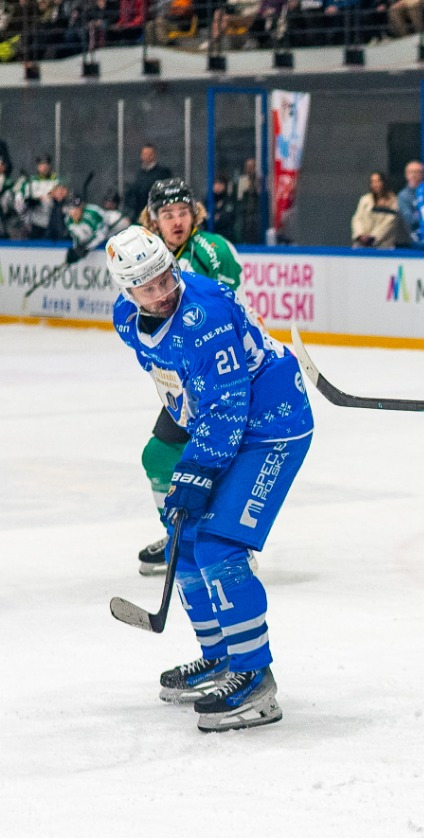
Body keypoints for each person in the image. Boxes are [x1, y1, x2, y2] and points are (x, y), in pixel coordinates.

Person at [104, 225, 313, 731]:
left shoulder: (205, 315)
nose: (161, 292)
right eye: (146, 287)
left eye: (164, 277)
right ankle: (220, 657)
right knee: (189, 537)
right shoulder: (127, 320)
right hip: (226, 424)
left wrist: (197, 469)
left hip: (273, 424)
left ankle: (254, 677)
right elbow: (179, 386)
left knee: (220, 544)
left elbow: (228, 401)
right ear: (125, 292)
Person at [133, 177, 244, 578]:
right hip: (183, 382)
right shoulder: (148, 255)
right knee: (159, 456)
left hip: (223, 377)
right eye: (167, 214)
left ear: (194, 214)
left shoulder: (212, 250)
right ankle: (178, 536)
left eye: (183, 212)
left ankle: (223, 543)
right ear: (153, 219)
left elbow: (225, 312)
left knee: (214, 463)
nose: (177, 221)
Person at [13, 154, 60, 239]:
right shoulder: (29, 182)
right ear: (37, 166)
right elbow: (19, 201)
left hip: (51, 222)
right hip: (33, 222)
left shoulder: (56, 181)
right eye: (41, 164)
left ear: (49, 165)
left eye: (46, 164)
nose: (44, 167)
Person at [351, 170, 402, 249]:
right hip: (362, 245)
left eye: (378, 181)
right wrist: (360, 235)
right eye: (373, 182)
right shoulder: (365, 200)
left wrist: (373, 237)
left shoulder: (394, 201)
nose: (375, 184)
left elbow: (389, 222)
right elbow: (357, 218)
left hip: (384, 247)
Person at [124, 142, 172, 220]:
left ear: (154, 155)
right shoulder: (138, 173)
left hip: (155, 215)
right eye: (144, 154)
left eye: (149, 154)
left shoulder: (163, 173)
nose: (146, 156)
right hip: (138, 215)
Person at [396, 159, 424, 246]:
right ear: (406, 174)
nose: (414, 175)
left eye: (417, 172)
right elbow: (410, 219)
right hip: (410, 241)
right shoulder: (403, 195)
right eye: (411, 172)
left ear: (422, 174)